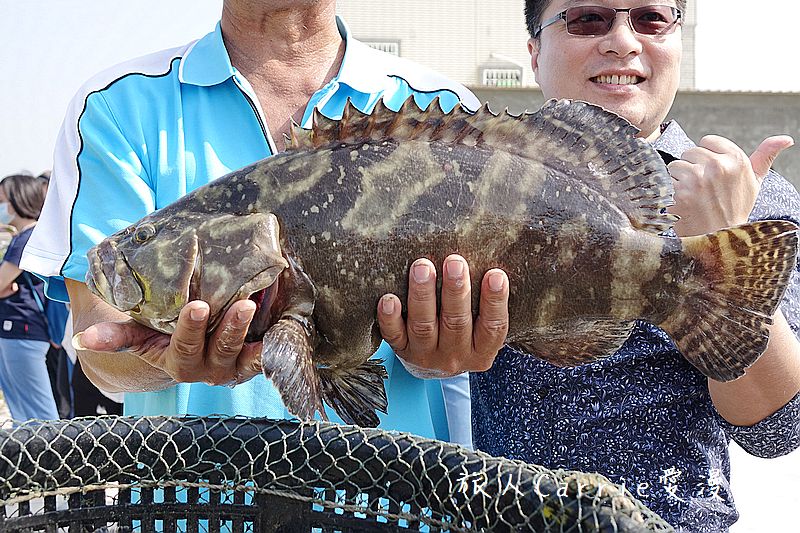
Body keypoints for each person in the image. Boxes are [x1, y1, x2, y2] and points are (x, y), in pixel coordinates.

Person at [378, 1, 800, 530]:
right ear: (534, 53)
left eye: (649, 18)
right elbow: (430, 357)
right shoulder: (464, 181)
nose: (622, 41)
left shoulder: (747, 197)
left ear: (678, 41)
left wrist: (721, 243)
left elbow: (776, 430)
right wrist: (430, 352)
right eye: (588, 20)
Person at [19, 0, 512, 445]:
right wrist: (157, 360)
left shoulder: (444, 112)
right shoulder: (115, 107)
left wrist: (445, 349)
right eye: (146, 237)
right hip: (194, 503)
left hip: (400, 502)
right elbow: (100, 339)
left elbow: (469, 350)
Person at [0, 174, 59, 421]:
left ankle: (56, 457)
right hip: (15, 330)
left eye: (2, 199)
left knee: (40, 412)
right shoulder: (23, 236)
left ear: (16, 200)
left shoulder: (28, 238)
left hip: (22, 330)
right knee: (22, 412)